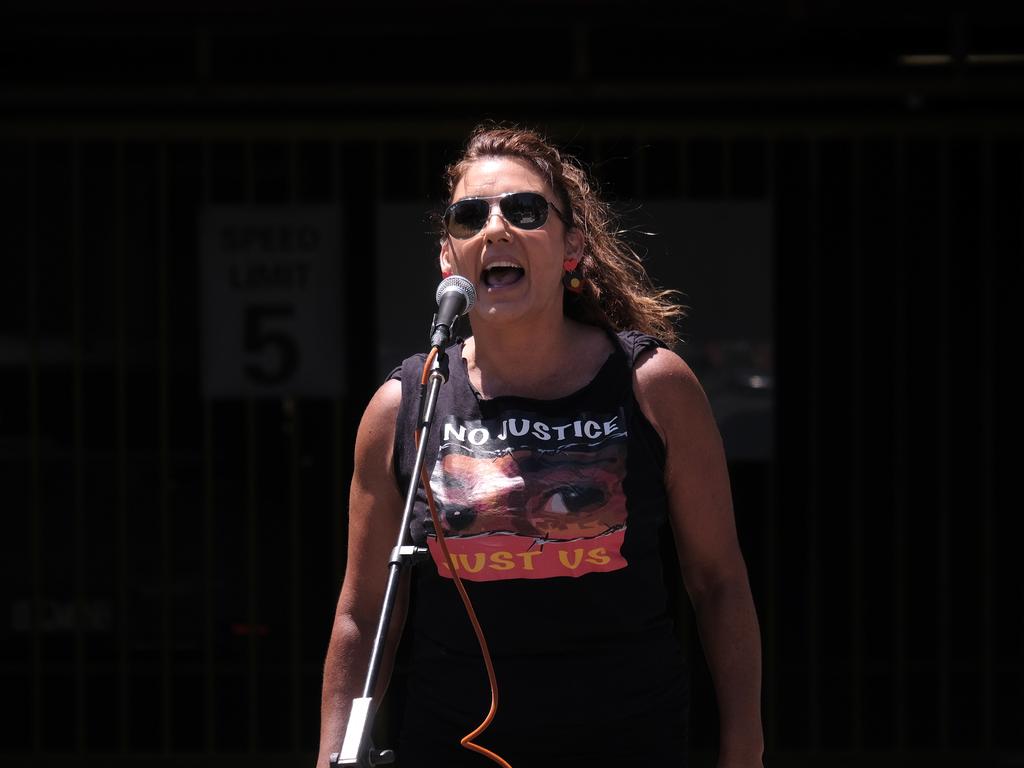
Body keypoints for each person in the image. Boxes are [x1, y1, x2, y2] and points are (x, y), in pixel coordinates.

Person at [316, 123, 764, 768]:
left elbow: (718, 581)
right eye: (469, 216)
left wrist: (744, 747)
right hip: (456, 745)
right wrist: (335, 752)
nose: (495, 228)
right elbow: (363, 612)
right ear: (450, 259)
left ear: (572, 246)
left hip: (628, 742)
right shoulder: (403, 406)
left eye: (524, 210)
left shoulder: (652, 386)